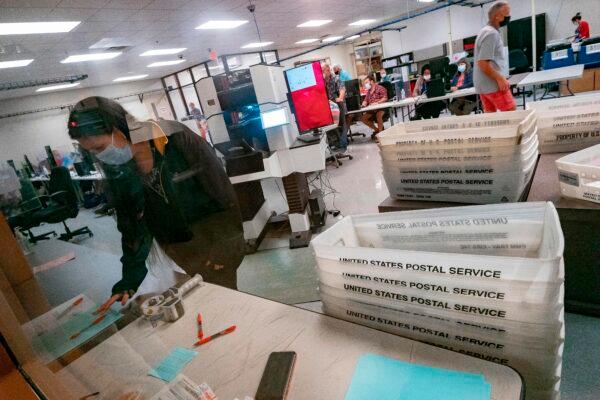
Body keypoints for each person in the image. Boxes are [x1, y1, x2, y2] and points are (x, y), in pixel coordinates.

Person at [67, 97, 245, 312]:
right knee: (207, 302)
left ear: (119, 129)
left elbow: (223, 196)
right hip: (180, 247)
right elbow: (132, 227)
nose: (101, 156)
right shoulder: (121, 169)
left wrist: (223, 254)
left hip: (215, 242)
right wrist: (128, 282)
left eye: (100, 147)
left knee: (227, 303)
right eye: (93, 152)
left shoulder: (174, 138)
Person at [474, 1, 516, 113]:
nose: (509, 16)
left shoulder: (483, 31)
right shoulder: (491, 34)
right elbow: (482, 62)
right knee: (511, 113)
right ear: (497, 16)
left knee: (491, 118)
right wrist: (500, 78)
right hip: (493, 84)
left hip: (483, 86)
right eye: (507, 13)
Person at [322, 64, 348, 152]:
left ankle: (342, 146)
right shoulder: (322, 81)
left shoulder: (336, 78)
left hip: (338, 105)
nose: (322, 73)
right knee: (331, 128)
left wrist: (340, 98)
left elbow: (342, 89)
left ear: (328, 70)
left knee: (341, 126)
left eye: (323, 71)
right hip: (329, 108)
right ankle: (334, 145)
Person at [360, 74, 388, 140]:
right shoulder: (369, 92)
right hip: (372, 110)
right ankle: (377, 130)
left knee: (378, 115)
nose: (365, 85)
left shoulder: (380, 88)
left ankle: (380, 135)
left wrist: (377, 102)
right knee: (363, 118)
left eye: (366, 82)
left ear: (372, 81)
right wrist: (363, 104)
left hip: (381, 108)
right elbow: (365, 100)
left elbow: (385, 98)